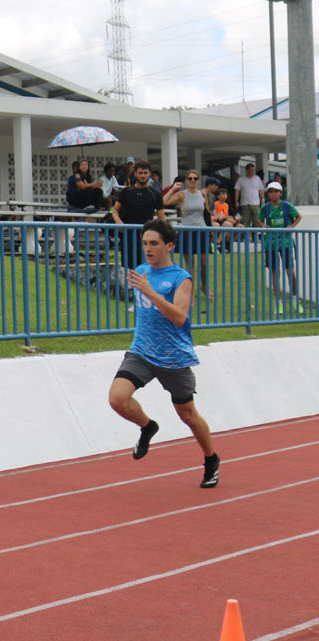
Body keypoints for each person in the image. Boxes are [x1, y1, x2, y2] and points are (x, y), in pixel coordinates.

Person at [107, 218, 220, 489]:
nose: (148, 248)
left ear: (169, 246)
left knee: (188, 415)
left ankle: (211, 458)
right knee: (117, 398)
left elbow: (179, 317)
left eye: (154, 243)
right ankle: (147, 426)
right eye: (145, 243)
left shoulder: (182, 278)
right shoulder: (142, 271)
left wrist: (151, 293)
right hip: (142, 352)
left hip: (173, 358)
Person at [110, 161, 165, 271]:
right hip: (128, 236)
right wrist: (118, 221)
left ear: (149, 174)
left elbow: (161, 218)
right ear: (135, 174)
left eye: (145, 173)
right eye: (140, 173)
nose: (143, 176)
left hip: (147, 237)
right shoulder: (126, 192)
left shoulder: (155, 194)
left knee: (147, 268)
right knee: (129, 268)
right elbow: (114, 210)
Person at [259, 180, 302, 311]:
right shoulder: (265, 207)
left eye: (276, 191)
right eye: (270, 191)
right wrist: (263, 225)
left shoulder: (287, 206)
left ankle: (295, 300)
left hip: (285, 242)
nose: (273, 194)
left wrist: (291, 226)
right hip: (270, 243)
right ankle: (279, 303)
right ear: (268, 194)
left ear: (280, 193)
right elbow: (259, 219)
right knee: (274, 273)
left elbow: (298, 216)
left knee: (290, 271)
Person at [175, 170, 212, 299]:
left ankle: (204, 287)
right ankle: (190, 293)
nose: (192, 180)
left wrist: (210, 228)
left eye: (195, 178)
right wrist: (173, 189)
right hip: (187, 230)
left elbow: (206, 212)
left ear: (198, 180)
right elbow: (164, 201)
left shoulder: (202, 194)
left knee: (203, 263)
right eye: (190, 178)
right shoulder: (182, 194)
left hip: (201, 230)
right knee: (190, 264)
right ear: (186, 180)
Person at [234, 163, 264, 228]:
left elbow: (261, 189)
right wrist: (236, 201)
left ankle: (256, 234)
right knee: (245, 221)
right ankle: (246, 234)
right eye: (251, 170)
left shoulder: (257, 178)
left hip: (256, 203)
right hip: (245, 204)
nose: (253, 172)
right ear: (247, 170)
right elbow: (237, 190)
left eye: (254, 170)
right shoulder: (241, 179)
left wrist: (263, 198)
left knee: (257, 220)